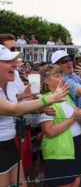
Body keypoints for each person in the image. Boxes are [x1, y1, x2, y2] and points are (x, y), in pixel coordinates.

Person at [0, 45, 69, 187]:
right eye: (8, 61)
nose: (15, 64)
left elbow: (13, 107)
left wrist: (35, 107)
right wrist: (48, 99)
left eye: (14, 60)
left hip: (10, 144)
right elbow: (14, 110)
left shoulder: (9, 87)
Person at [37, 65, 81, 187]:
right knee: (64, 184)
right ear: (45, 80)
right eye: (57, 75)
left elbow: (76, 121)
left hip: (75, 144)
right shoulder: (43, 99)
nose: (61, 79)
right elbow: (49, 131)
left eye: (61, 75)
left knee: (76, 181)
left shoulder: (67, 97)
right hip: (59, 150)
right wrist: (73, 118)